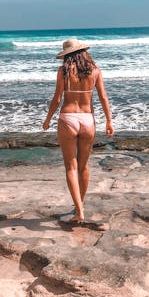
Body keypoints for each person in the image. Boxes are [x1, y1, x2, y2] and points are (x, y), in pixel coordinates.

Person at [43, 38, 114, 222]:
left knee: (70, 167)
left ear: (67, 56)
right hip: (87, 120)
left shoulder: (63, 72)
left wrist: (48, 119)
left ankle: (79, 211)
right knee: (83, 166)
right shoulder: (95, 71)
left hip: (68, 119)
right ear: (83, 52)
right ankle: (78, 207)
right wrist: (109, 121)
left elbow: (57, 99)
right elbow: (103, 97)